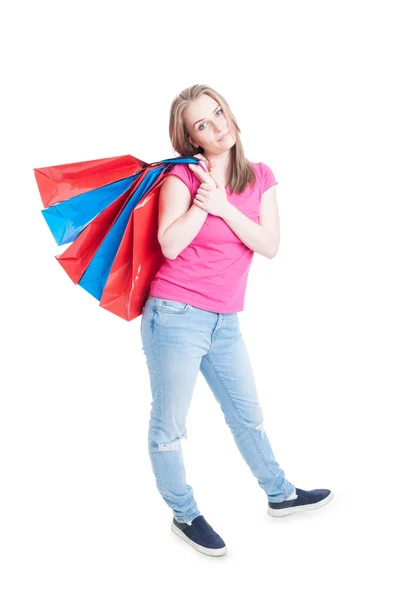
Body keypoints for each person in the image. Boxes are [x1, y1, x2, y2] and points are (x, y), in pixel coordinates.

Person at [140, 84, 333, 557]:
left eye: (219, 112)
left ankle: (280, 493)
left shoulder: (260, 176)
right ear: (191, 138)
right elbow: (169, 244)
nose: (218, 125)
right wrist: (203, 203)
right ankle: (184, 515)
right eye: (202, 123)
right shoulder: (182, 179)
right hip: (175, 315)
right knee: (170, 426)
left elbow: (269, 245)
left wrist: (224, 206)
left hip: (225, 320)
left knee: (247, 415)